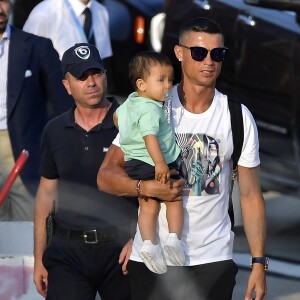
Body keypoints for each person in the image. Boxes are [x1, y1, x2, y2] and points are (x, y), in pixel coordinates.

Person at [97, 17, 267, 300]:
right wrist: (146, 189)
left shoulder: (238, 117)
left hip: (212, 259)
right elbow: (106, 176)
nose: (209, 61)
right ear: (179, 53)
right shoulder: (150, 107)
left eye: (218, 54)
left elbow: (250, 196)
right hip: (153, 262)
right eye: (199, 52)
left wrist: (259, 263)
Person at [33, 43, 137, 299]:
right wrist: (39, 258)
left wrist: (142, 239)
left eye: (95, 73)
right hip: (69, 252)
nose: (91, 82)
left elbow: (154, 186)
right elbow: (46, 195)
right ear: (67, 86)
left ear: (105, 75)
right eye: (81, 76)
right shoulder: (54, 131)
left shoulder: (132, 122)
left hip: (124, 250)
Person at [0, 0, 72, 221]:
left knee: (26, 227)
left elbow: (63, 104)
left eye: (3, 0)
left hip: (24, 148)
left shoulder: (36, 46)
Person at [114, 51, 184, 274]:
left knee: (147, 205)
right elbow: (150, 137)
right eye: (161, 80)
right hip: (154, 161)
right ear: (142, 85)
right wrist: (160, 163)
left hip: (134, 163)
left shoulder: (130, 103)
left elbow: (116, 118)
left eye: (171, 80)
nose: (168, 86)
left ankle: (148, 244)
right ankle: (174, 239)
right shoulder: (151, 109)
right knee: (173, 199)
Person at [22, 0, 112, 60]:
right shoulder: (45, 13)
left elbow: (103, 58)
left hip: (90, 85)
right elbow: (26, 58)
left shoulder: (101, 11)